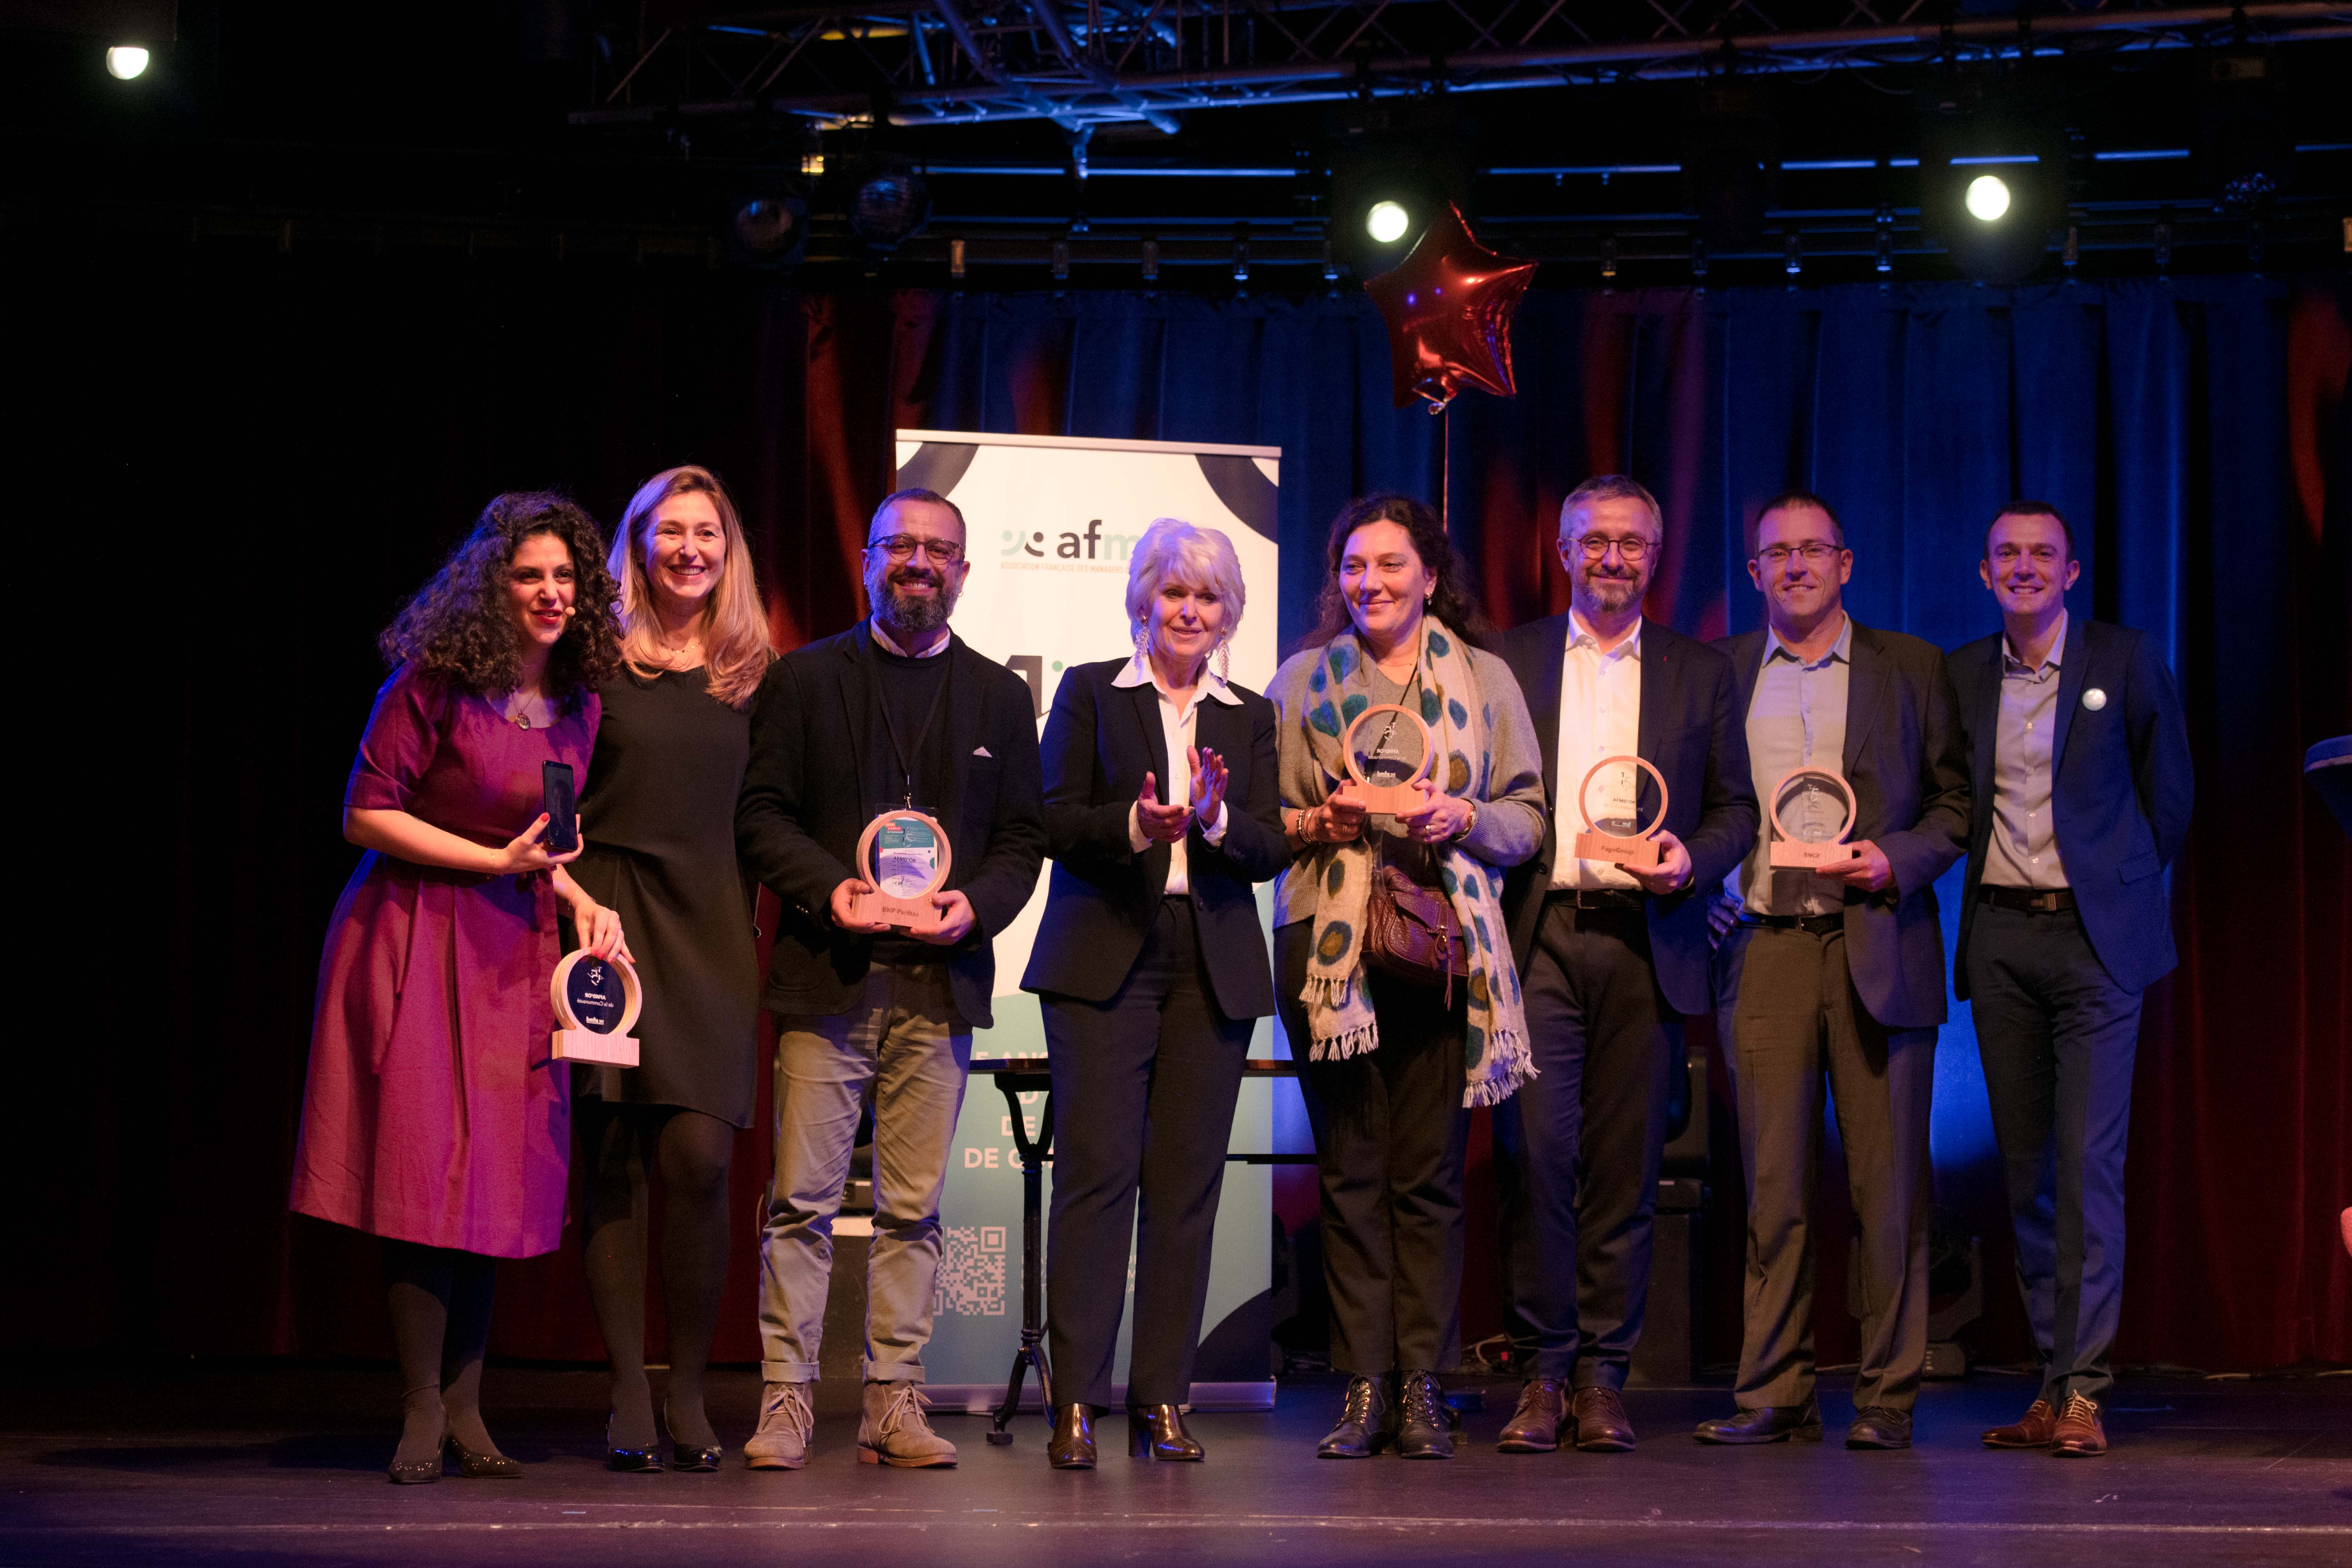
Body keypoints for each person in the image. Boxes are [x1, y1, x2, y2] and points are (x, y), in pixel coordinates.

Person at [289, 492, 630, 1484]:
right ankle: (421, 1406)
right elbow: (364, 814)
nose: (552, 593)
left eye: (567, 576)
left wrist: (579, 898)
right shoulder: (430, 683)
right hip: (411, 933)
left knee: (493, 1183)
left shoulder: (580, 703)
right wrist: (491, 863)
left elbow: (543, 845)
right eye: (531, 575)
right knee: (420, 1171)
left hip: (510, 952)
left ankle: (471, 1410)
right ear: (495, 586)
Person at [735, 487, 1046, 1470]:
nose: (919, 562)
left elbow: (1022, 839)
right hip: (828, 978)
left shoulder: (1000, 694)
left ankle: (892, 1401)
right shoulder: (802, 679)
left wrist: (977, 905)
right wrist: (835, 892)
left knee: (914, 1208)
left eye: (938, 549)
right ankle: (786, 1398)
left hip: (939, 985)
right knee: (802, 1203)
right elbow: (761, 819)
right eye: (900, 546)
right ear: (869, 561)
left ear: (963, 569)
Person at [1268, 492, 1547, 1461]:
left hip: (1441, 943)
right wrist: (1323, 821)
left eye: (1391, 565)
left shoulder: (1486, 677)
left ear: (1430, 574)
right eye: (1354, 566)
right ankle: (1362, 1384)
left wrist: (1460, 818)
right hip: (1325, 946)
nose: (1370, 583)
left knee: (1425, 1176)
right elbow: (1265, 821)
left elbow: (1527, 817)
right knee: (1347, 1170)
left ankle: (1423, 1381)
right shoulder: (1301, 680)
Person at [1691, 491, 1971, 1451]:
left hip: (1878, 940)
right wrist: (1705, 882)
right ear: (1755, 571)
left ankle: (1888, 1393)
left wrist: (1893, 856)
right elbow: (1706, 804)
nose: (1798, 565)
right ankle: (1774, 1388)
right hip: (1762, 945)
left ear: (1846, 564)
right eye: (1778, 552)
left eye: (1815, 550)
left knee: (1887, 1189)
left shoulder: (1912, 668)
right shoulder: (1723, 671)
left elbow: (1953, 806)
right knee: (1770, 1183)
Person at [1490, 475, 1757, 1455]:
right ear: (1562, 550)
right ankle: (1541, 1373)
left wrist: (1693, 855)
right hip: (1536, 937)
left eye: (1631, 542)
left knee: (1623, 1170)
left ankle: (1605, 1376)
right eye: (1593, 540)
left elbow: (1737, 807)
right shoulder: (1506, 659)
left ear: (1657, 553)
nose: (1611, 556)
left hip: (1649, 940)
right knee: (1536, 1160)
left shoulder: (1700, 670)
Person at [1023, 519, 1288, 1470]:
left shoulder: (1248, 713)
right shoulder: (1093, 690)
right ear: (1143, 598)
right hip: (1106, 959)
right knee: (1096, 1178)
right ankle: (1078, 1404)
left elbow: (1271, 844)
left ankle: (1164, 1399)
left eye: (1206, 596)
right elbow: (1051, 818)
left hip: (1207, 962)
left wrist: (1215, 819)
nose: (1188, 610)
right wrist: (1137, 824)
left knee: (1185, 1191)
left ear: (1228, 613)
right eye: (1173, 592)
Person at [1949, 501, 2192, 1458]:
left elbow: (2167, 797)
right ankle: (2050, 1382)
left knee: (2088, 1164)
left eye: (2041, 554)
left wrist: (2116, 884)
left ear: (2072, 570)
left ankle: (2084, 1390)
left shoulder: (2122, 661)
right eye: (2005, 553)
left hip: (2094, 942)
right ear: (1983, 573)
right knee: (2027, 1171)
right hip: (2002, 939)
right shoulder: (1966, 673)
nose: (2023, 567)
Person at [570, 466, 773, 1472]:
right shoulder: (592, 658)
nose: (692, 548)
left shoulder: (752, 669)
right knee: (610, 1154)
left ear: (727, 549)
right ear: (638, 543)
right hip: (604, 920)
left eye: (710, 531)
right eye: (670, 531)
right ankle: (627, 1390)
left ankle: (689, 1386)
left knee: (698, 1157)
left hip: (709, 925)